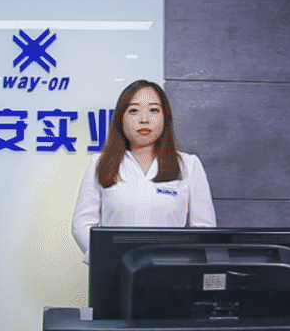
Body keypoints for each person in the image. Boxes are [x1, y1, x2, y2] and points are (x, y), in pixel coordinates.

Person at [71, 80, 217, 263]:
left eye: (154, 110)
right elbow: (82, 224)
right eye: (134, 111)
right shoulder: (100, 163)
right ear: (121, 118)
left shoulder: (189, 165)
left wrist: (180, 262)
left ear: (165, 117)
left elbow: (204, 229)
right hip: (115, 269)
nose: (144, 119)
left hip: (172, 270)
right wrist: (107, 258)